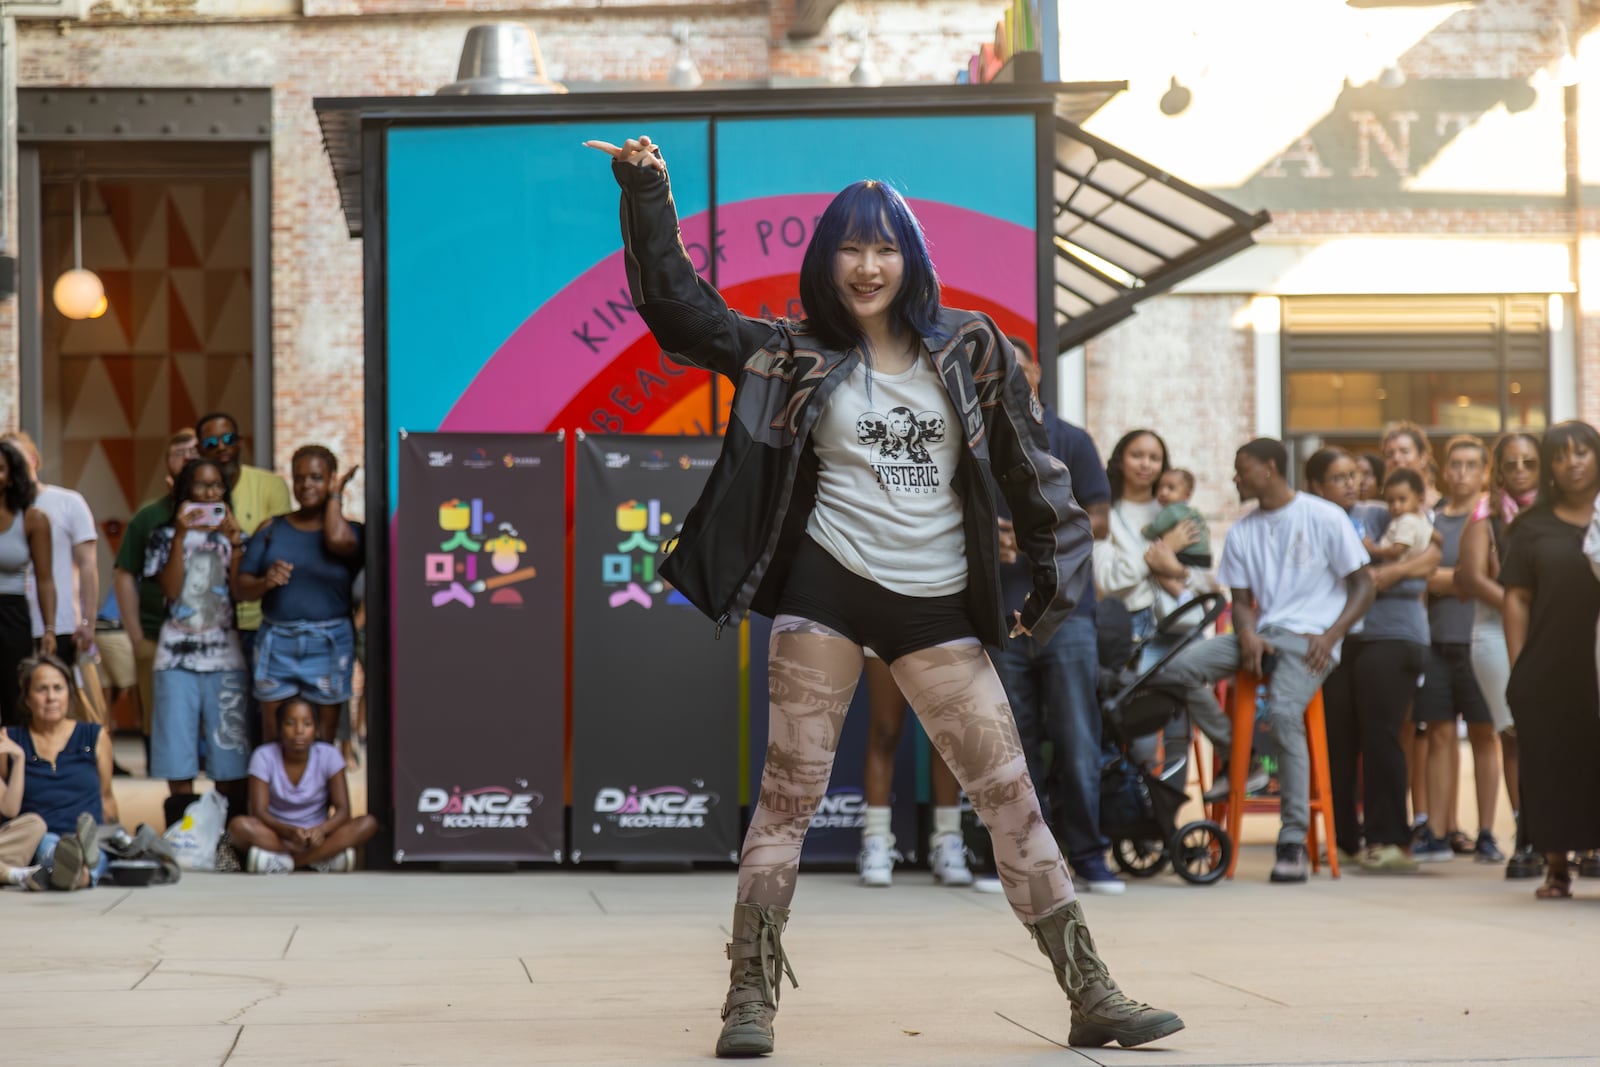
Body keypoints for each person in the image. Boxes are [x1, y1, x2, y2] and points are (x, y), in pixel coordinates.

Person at [587, 133, 1182, 1056]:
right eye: (848, 248)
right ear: (825, 261)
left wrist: (1048, 594)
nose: (866, 265)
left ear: (911, 258)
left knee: (1010, 797)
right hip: (827, 589)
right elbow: (678, 310)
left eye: (884, 246)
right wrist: (647, 188)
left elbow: (1037, 476)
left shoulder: (972, 349)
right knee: (787, 796)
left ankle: (1090, 991)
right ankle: (748, 998)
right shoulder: (790, 353)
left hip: (937, 602)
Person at [1151, 438, 1374, 883]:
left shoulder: (1322, 516)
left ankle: (1291, 840)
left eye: (1242, 469)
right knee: (1177, 668)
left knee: (1288, 715)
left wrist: (1331, 635)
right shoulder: (1243, 529)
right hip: (1264, 635)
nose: (1236, 477)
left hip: (1312, 639)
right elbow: (1242, 598)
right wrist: (1248, 632)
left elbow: (1364, 585)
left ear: (1269, 469)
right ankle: (1242, 756)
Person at [992, 350, 1122, 893]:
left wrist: (1035, 536)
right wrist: (985, 537)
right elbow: (951, 515)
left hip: (1067, 614)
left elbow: (1100, 521)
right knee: (1010, 746)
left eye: (1019, 367)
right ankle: (1027, 860)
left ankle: (1089, 855)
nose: (1012, 377)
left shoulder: (1071, 438)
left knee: (1076, 739)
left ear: (1038, 373)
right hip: (999, 614)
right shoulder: (976, 441)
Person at [1306, 447, 1434, 874]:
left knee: (1380, 735)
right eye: (1341, 477)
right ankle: (1343, 840)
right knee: (1338, 740)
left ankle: (1391, 840)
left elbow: (1433, 553)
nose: (1352, 483)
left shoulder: (1381, 513)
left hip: (1392, 634)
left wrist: (1384, 575)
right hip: (1339, 640)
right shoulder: (1310, 518)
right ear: (1316, 486)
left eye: (1355, 475)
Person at [1504, 421, 1600, 899]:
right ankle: (1557, 868)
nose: (1574, 462)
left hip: (1598, 662)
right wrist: (1519, 668)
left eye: (1583, 452)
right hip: (1551, 665)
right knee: (1553, 765)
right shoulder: (1531, 526)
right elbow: (1517, 599)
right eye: (1561, 456)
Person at [233, 445, 363, 744]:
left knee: (323, 740)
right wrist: (266, 582)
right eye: (300, 477)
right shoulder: (272, 529)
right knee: (273, 737)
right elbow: (240, 589)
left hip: (329, 642)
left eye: (317, 478)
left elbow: (336, 541)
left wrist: (336, 495)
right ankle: (275, 792)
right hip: (277, 641)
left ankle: (320, 793)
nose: (306, 485)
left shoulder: (351, 531)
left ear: (331, 479)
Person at [1455, 432, 1542, 878]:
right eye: (1512, 463)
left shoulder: (1561, 513)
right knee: (1514, 733)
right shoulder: (1485, 515)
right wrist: (1519, 605)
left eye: (1530, 462)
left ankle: (1568, 833)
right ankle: (1526, 833)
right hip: (1494, 632)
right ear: (1500, 471)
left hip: (1551, 630)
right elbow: (1470, 577)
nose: (1522, 471)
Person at [145, 458, 250, 817]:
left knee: (229, 753)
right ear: (185, 489)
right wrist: (178, 536)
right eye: (201, 486)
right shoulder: (161, 535)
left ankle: (223, 838)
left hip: (226, 656)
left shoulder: (235, 535)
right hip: (175, 656)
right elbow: (172, 591)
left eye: (217, 485)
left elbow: (239, 592)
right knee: (176, 752)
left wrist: (236, 545)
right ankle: (181, 834)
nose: (209, 494)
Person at [1414, 437, 1502, 864]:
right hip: (1435, 642)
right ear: (1445, 470)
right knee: (1439, 735)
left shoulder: (1494, 518)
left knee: (1487, 736)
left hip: (1480, 642)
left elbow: (1484, 575)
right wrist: (1463, 576)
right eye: (1456, 464)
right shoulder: (1430, 519)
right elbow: (1423, 576)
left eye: (1472, 465)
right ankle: (1435, 833)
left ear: (1485, 471)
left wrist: (1451, 575)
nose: (1463, 472)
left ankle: (1487, 830)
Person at [196, 412, 291, 743]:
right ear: (200, 449)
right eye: (211, 442)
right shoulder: (195, 494)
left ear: (240, 442)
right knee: (226, 724)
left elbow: (277, 550)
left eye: (228, 439)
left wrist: (238, 535)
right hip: (211, 626)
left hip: (260, 621)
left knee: (265, 716)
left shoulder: (270, 485)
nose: (221, 447)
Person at [114, 429, 200, 748]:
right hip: (155, 635)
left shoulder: (221, 512)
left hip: (212, 637)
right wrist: (136, 635)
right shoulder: (149, 516)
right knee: (158, 723)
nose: (188, 458)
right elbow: (124, 574)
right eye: (179, 452)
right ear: (167, 464)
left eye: (194, 451)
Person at [0, 655, 116, 890]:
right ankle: (73, 869)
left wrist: (116, 833)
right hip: (41, 836)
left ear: (69, 694)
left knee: (97, 851)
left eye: (58, 688)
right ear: (27, 698)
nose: (51, 697)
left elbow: (106, 796)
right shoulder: (10, 741)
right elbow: (6, 804)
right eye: (42, 689)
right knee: (50, 844)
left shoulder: (94, 736)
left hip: (86, 833)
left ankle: (75, 868)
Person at [226, 697, 376, 873]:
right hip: (277, 834)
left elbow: (343, 811)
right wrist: (289, 832)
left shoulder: (329, 755)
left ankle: (291, 863)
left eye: (307, 724)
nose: (299, 731)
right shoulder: (264, 756)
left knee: (368, 823)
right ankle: (322, 858)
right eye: (290, 723)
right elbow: (258, 811)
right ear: (280, 728)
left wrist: (320, 830)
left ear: (317, 729)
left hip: (318, 835)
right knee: (238, 826)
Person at [856, 656, 970, 888]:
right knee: (884, 730)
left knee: (945, 734)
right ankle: (876, 841)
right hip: (885, 625)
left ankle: (948, 842)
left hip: (937, 626)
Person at [3, 433, 97, 679]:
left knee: (52, 700)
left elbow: (88, 565)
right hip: (14, 619)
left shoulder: (68, 502)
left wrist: (88, 622)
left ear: (33, 460)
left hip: (60, 623)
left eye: (17, 460)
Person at [0, 439, 56, 726]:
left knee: (14, 695)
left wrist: (49, 628)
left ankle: (16, 766)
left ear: (11, 477)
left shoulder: (32, 519)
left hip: (12, 613)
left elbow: (45, 579)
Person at [1141, 469, 1210, 568]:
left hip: (1188, 555)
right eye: (1160, 487)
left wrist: (1145, 531)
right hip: (1204, 557)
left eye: (1171, 488)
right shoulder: (1192, 511)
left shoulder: (1172, 510)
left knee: (1158, 568)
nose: (1163, 492)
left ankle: (1173, 584)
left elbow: (1156, 528)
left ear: (1187, 494)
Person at [1365, 469, 1434, 564]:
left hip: (1400, 574)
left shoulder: (1406, 521)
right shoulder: (1422, 518)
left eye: (1402, 499)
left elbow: (1397, 551)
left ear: (1420, 498)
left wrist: (1373, 549)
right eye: (1390, 501)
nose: (1396, 506)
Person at [1383, 420, 1442, 510]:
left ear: (1423, 458)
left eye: (1404, 451)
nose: (1396, 459)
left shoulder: (1443, 509)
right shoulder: (1382, 510)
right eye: (1390, 454)